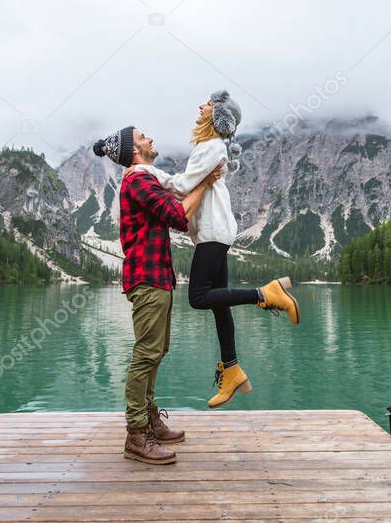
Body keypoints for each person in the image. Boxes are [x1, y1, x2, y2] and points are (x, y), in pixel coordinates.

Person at [130, 90, 300, 410]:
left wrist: (143, 171)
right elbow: (193, 186)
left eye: (206, 104)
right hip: (216, 231)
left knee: (198, 297)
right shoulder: (211, 147)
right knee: (220, 304)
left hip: (213, 231)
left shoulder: (210, 146)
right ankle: (232, 368)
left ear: (216, 115)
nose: (200, 106)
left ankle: (266, 294)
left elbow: (182, 187)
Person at [93, 125, 221, 465]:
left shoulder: (145, 179)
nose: (150, 138)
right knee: (146, 353)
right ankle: (136, 435)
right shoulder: (137, 180)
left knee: (156, 350)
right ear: (135, 151)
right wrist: (206, 182)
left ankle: (149, 420)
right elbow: (178, 216)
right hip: (147, 279)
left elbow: (173, 205)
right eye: (143, 137)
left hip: (157, 279)